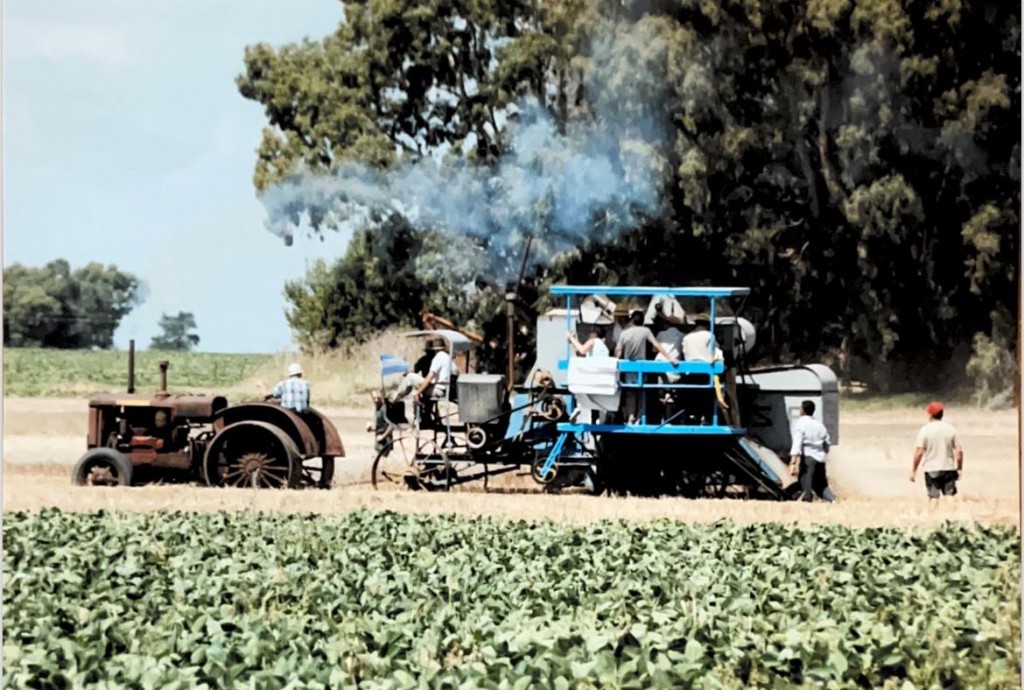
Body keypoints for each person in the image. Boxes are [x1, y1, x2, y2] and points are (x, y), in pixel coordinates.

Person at [615, 308, 679, 424]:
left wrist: (616, 364)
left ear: (631, 320)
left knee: (630, 393)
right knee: (642, 392)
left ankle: (630, 416)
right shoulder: (646, 331)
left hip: (629, 367)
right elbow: (657, 345)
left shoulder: (624, 333)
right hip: (642, 367)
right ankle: (640, 417)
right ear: (643, 320)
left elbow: (618, 352)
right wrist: (670, 358)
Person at [910, 401, 964, 506]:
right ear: (942, 414)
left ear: (930, 414)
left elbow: (919, 452)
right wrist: (959, 468)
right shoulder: (951, 429)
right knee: (949, 495)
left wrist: (914, 470)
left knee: (933, 496)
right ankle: (953, 518)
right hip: (948, 467)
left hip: (931, 468)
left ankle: (932, 520)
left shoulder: (925, 430)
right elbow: (959, 451)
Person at [789, 400, 835, 502]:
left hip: (809, 459)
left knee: (805, 482)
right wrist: (823, 453)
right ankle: (832, 499)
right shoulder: (819, 425)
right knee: (821, 484)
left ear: (802, 410)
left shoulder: (801, 424)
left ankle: (808, 500)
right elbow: (827, 444)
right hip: (821, 459)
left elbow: (797, 444)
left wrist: (793, 463)